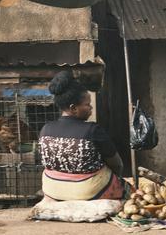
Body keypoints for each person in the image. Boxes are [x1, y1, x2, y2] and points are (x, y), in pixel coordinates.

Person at [38, 71, 129, 201]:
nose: (91, 108)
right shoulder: (92, 130)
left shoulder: (45, 129)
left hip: (52, 190)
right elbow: (117, 164)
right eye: (87, 104)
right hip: (87, 192)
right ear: (73, 108)